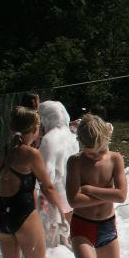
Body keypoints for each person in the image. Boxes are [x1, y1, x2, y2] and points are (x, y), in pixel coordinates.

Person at [66, 114, 128, 258]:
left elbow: (121, 196)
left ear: (105, 139)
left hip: (107, 227)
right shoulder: (75, 161)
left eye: (97, 151)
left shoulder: (115, 159)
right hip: (82, 228)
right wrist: (108, 194)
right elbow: (74, 200)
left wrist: (90, 190)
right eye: (88, 151)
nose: (93, 156)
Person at [0, 106, 62, 258]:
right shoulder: (31, 154)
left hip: (1, 215)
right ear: (35, 130)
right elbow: (48, 187)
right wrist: (62, 212)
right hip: (22, 215)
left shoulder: (3, 152)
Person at [38, 101, 79, 248]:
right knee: (74, 232)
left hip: (55, 192)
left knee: (53, 237)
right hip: (73, 189)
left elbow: (45, 175)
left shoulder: (49, 139)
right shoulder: (72, 136)